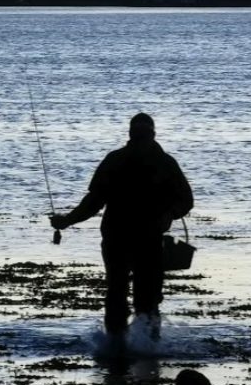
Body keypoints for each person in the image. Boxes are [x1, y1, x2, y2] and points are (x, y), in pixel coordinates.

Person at [50, 113, 193, 345]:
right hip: (132, 238)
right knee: (134, 295)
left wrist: (67, 220)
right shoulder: (160, 162)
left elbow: (93, 202)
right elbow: (186, 200)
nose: (140, 140)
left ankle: (121, 348)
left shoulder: (124, 160)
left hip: (132, 238)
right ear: (148, 134)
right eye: (140, 136)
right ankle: (143, 348)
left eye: (141, 135)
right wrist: (67, 221)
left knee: (125, 293)